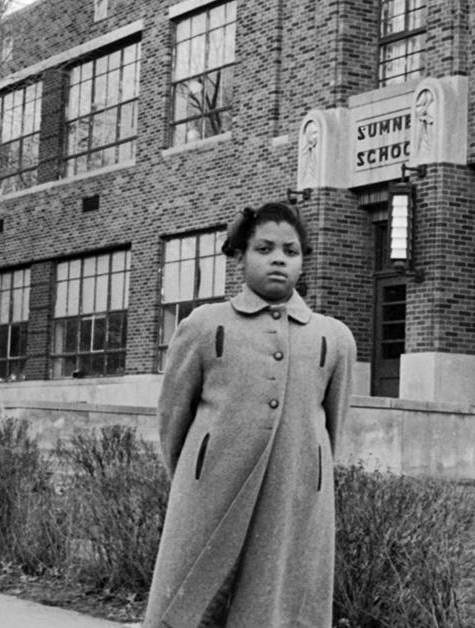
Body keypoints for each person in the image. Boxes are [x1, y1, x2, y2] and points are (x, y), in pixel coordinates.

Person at [144, 202, 357, 628]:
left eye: (291, 251)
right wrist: (196, 474)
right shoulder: (204, 325)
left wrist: (307, 472)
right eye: (264, 248)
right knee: (194, 599)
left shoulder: (333, 337)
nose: (279, 258)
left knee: (277, 596)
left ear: (302, 261)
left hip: (291, 494)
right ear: (240, 256)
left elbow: (333, 425)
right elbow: (173, 419)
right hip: (212, 490)